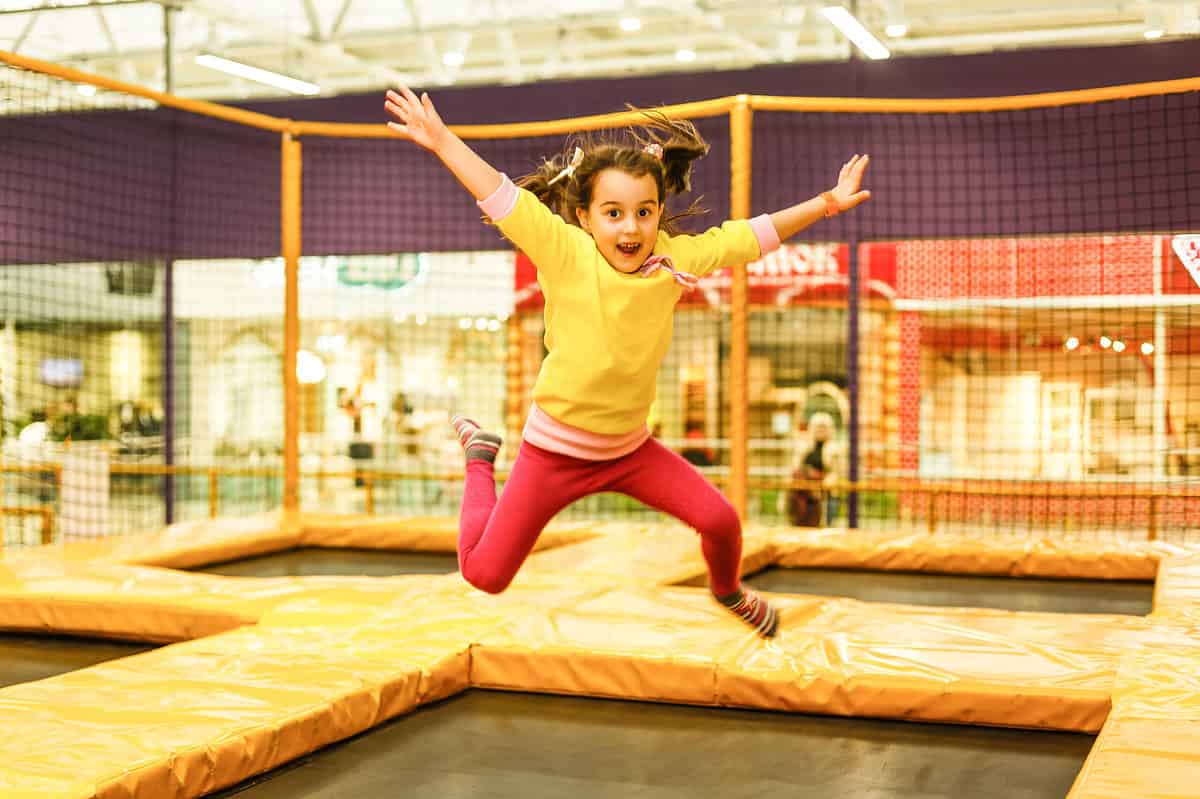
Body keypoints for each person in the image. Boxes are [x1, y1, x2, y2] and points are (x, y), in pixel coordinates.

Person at [384, 85, 871, 638]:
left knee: (721, 520)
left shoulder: (674, 259)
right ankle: (479, 455)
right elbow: (500, 195)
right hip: (553, 453)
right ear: (586, 217)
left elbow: (749, 238)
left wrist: (825, 204)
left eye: (644, 212)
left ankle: (728, 590)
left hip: (629, 449)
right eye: (613, 213)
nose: (630, 228)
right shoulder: (564, 251)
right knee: (486, 574)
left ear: (660, 213)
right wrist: (444, 141)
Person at [786, 412, 843, 527]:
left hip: (824, 489)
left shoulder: (834, 449)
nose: (820, 430)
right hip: (805, 489)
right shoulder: (804, 446)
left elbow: (836, 473)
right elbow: (795, 467)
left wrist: (824, 481)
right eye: (818, 427)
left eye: (824, 427)